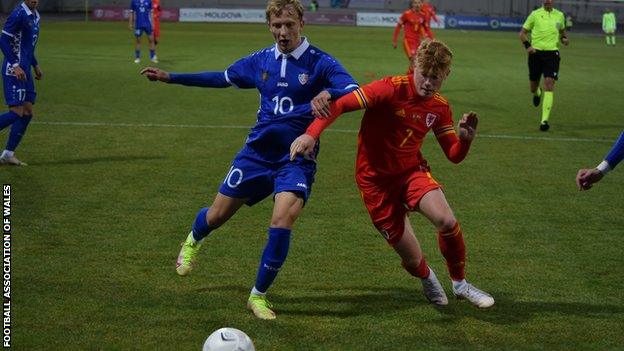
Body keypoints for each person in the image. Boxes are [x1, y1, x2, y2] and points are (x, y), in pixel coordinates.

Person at [140, 0, 358, 320]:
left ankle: (258, 296)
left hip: (296, 158)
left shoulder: (320, 62)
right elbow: (221, 77)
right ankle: (193, 240)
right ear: (269, 26)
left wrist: (332, 94)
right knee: (216, 216)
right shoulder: (260, 61)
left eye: (289, 25)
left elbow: (353, 87)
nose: (283, 32)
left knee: (282, 221)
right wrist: (170, 77)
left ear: (301, 23)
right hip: (256, 155)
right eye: (277, 25)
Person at [290, 40, 495, 308]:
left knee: (446, 220)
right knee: (411, 259)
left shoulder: (440, 107)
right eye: (424, 74)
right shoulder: (388, 88)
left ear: (447, 75)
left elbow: (454, 155)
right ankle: (426, 276)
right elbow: (340, 105)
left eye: (435, 78)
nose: (428, 83)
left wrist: (466, 139)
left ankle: (461, 284)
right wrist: (311, 133)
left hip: (411, 173)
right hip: (375, 182)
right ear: (413, 67)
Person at [0, 0, 42, 166]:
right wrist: (15, 65)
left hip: (25, 70)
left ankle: (8, 154)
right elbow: (3, 40)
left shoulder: (35, 15)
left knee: (27, 112)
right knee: (17, 112)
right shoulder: (18, 14)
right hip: (14, 70)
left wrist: (35, 65)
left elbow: (27, 46)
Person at [519, 0, 568, 132]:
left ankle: (544, 121)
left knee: (549, 84)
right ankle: (537, 93)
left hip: (552, 54)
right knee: (533, 87)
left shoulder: (560, 15)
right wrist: (527, 46)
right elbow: (522, 33)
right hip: (536, 54)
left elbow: (563, 32)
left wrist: (564, 39)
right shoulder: (535, 14)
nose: (547, 1)